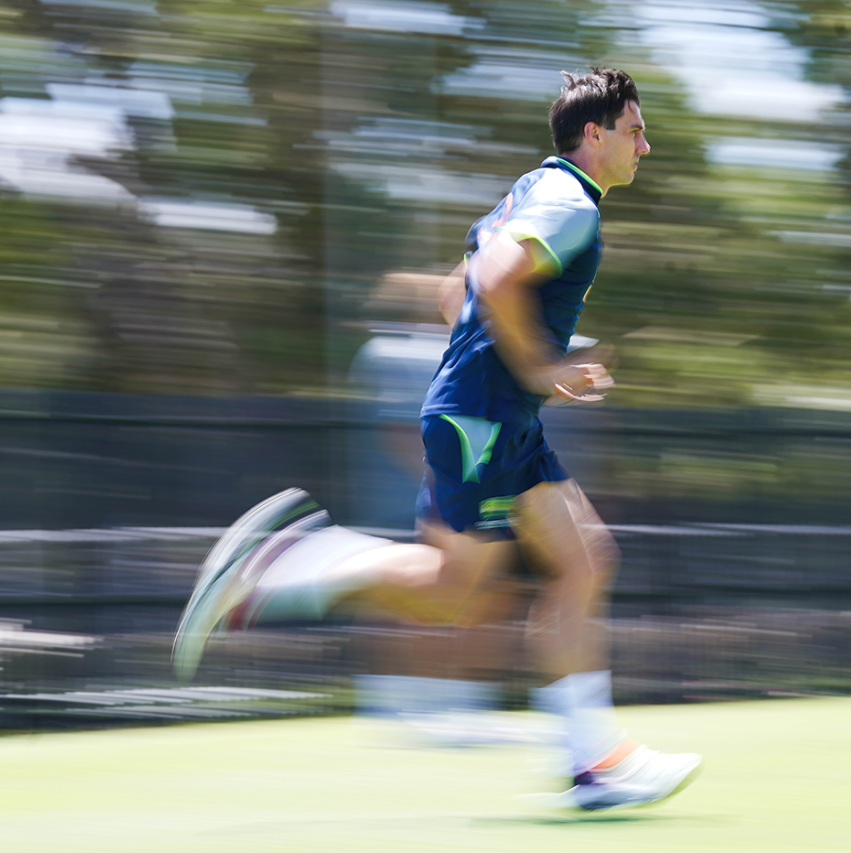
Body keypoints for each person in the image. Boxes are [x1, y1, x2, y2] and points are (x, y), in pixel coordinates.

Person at [173, 67, 701, 812]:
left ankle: (595, 763)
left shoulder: (534, 189)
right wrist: (541, 365)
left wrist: (531, 362)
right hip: (485, 416)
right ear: (596, 134)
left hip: (496, 415)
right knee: (450, 593)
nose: (646, 146)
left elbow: (461, 288)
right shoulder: (569, 204)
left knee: (585, 561)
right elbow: (492, 275)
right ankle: (279, 564)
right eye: (637, 130)